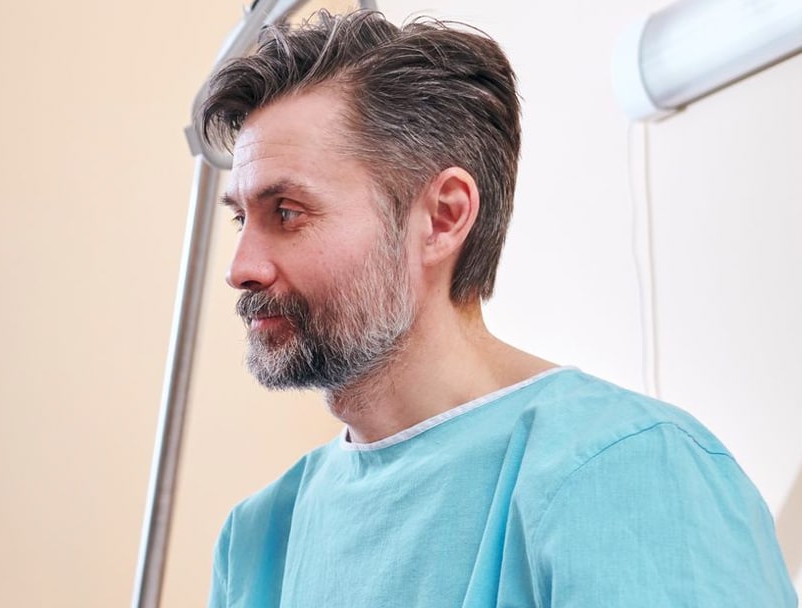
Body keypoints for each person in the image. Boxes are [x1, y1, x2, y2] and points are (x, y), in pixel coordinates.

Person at [198, 11, 794, 607]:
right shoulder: (257, 540)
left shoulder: (633, 472)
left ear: (443, 218)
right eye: (241, 217)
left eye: (288, 212)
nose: (240, 267)